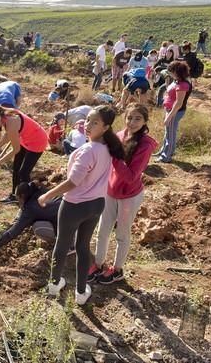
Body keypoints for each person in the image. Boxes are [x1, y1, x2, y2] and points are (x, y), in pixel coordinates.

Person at [38, 105, 124, 305]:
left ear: (105, 127)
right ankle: (80, 293)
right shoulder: (108, 148)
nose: (88, 125)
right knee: (83, 246)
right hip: (96, 205)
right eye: (87, 120)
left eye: (95, 122)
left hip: (74, 205)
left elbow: (73, 182)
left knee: (62, 245)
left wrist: (47, 196)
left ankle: (54, 284)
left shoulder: (87, 151)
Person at [90, 104, 157, 285]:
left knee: (122, 234)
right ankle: (98, 263)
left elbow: (130, 176)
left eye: (138, 119)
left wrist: (115, 156)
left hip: (129, 196)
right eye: (129, 118)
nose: (132, 122)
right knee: (102, 230)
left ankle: (117, 269)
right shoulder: (119, 136)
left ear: (144, 122)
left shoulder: (145, 145)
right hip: (110, 192)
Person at [0, 106, 49, 204]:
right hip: (25, 139)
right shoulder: (4, 115)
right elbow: (7, 135)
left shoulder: (11, 123)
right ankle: (15, 195)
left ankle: (30, 199)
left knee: (23, 172)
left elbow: (15, 149)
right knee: (16, 168)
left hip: (37, 141)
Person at [0, 182, 61, 255]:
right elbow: (23, 211)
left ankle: (67, 244)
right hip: (69, 211)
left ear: (22, 196)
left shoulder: (31, 208)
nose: (18, 201)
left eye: (18, 199)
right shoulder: (38, 190)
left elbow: (13, 232)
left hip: (68, 226)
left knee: (38, 227)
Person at [156, 61, 192, 163]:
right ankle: (163, 151)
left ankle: (167, 156)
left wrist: (169, 116)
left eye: (171, 72)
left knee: (171, 134)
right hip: (169, 110)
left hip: (175, 112)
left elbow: (179, 102)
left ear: (177, 72)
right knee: (168, 132)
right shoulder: (177, 81)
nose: (169, 73)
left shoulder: (183, 85)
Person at [0, 77, 22, 143]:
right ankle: (14, 146)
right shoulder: (14, 84)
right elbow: (18, 101)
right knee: (10, 127)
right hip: (8, 103)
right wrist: (15, 111)